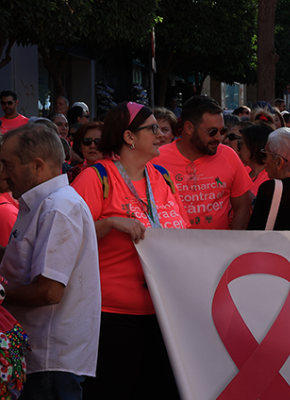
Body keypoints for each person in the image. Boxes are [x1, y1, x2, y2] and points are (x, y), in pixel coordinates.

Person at [71, 102, 189, 399]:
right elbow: (67, 238)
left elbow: (184, 232)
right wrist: (110, 223)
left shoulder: (162, 177)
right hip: (113, 316)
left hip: (165, 313)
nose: (161, 135)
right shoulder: (96, 178)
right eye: (153, 129)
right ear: (129, 137)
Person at [0, 123, 100, 399]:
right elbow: (23, 259)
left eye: (7, 165)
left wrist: (1, 294)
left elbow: (49, 291)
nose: (3, 173)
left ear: (37, 166)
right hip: (40, 358)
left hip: (49, 361)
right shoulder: (44, 203)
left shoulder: (58, 207)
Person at [152, 95, 252, 230]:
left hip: (219, 243)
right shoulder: (156, 159)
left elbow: (242, 207)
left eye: (222, 131)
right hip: (171, 242)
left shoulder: (228, 156)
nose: (219, 138)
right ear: (189, 128)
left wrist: (232, 241)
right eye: (212, 132)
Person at [247, 128, 290, 230]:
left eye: (265, 155)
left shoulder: (270, 189)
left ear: (278, 162)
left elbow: (254, 231)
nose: (264, 161)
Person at [238, 123, 274, 197]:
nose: (238, 149)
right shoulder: (243, 171)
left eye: (241, 144)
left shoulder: (272, 176)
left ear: (254, 146)